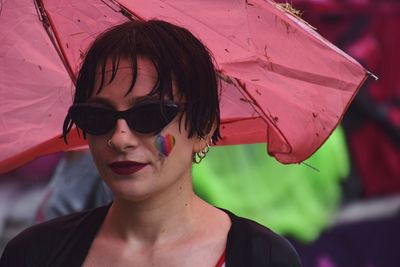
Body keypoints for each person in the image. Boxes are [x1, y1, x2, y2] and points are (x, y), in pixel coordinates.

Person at [0, 20, 302, 267]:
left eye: (149, 115)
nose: (120, 139)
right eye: (98, 116)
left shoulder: (262, 257)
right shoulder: (34, 254)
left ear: (204, 127)